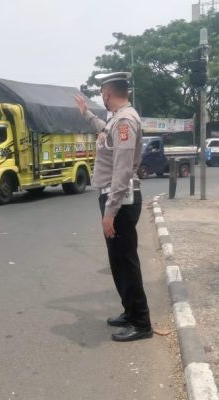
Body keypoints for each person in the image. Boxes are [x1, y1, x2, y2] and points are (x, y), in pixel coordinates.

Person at [75, 72, 152, 342]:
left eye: (101, 94)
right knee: (118, 262)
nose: (102, 98)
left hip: (119, 201)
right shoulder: (117, 120)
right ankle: (130, 312)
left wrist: (110, 212)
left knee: (126, 262)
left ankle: (141, 323)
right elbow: (104, 133)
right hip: (116, 199)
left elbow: (121, 171)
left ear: (107, 93)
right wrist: (86, 113)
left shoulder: (125, 121)